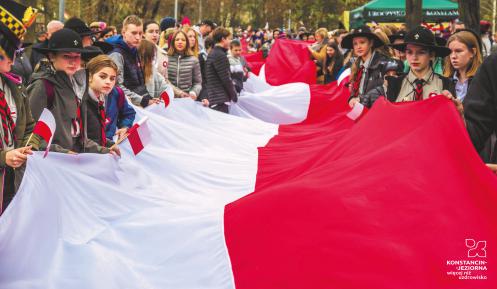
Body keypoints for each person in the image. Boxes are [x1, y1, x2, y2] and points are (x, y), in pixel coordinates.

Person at [28, 29, 118, 156]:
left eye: (77, 56)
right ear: (52, 56)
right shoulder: (42, 86)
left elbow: (79, 137)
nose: (73, 61)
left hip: (72, 161)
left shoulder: (78, 84)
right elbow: (30, 137)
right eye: (66, 56)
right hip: (52, 163)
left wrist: (104, 150)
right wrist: (62, 153)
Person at [0, 0, 39, 213]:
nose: (15, 61)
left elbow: (28, 127)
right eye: (12, 53)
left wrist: (29, 146)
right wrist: (4, 157)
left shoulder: (14, 85)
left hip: (10, 185)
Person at [386, 26, 455, 103]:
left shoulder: (446, 83)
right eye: (409, 52)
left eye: (421, 52)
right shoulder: (394, 83)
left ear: (431, 55)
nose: (414, 57)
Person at [108, 15, 159, 107]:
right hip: (128, 106)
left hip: (139, 103)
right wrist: (143, 101)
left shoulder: (135, 50)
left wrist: (149, 98)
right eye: (134, 33)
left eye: (140, 33)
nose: (138, 37)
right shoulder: (116, 55)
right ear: (123, 32)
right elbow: (117, 87)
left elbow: (139, 84)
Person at [86, 55, 135, 146]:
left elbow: (129, 113)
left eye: (112, 78)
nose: (108, 82)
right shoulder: (78, 98)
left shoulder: (117, 93)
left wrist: (125, 126)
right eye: (102, 77)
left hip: (109, 145)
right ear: (89, 76)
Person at [341, 26, 389, 108]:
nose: (358, 47)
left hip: (376, 112)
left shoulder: (384, 64)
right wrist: (352, 98)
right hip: (360, 110)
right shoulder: (356, 65)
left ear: (371, 43)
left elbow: (383, 93)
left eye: (362, 42)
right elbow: (355, 90)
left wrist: (360, 99)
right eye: (355, 44)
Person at [444, 30, 483, 101]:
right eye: (450, 52)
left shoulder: (482, 80)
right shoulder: (446, 80)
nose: (453, 56)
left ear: (472, 52)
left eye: (458, 51)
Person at [205, 27, 237, 113]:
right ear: (223, 39)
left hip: (215, 98)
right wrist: (234, 95)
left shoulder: (214, 53)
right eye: (229, 39)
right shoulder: (220, 55)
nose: (230, 41)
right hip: (220, 100)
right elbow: (226, 78)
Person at [167, 31, 202, 99]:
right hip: (169, 98)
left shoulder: (194, 60)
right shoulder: (166, 58)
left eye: (183, 40)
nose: (180, 42)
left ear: (187, 43)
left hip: (186, 99)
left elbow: (197, 83)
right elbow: (163, 80)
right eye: (177, 39)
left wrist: (193, 93)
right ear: (173, 42)